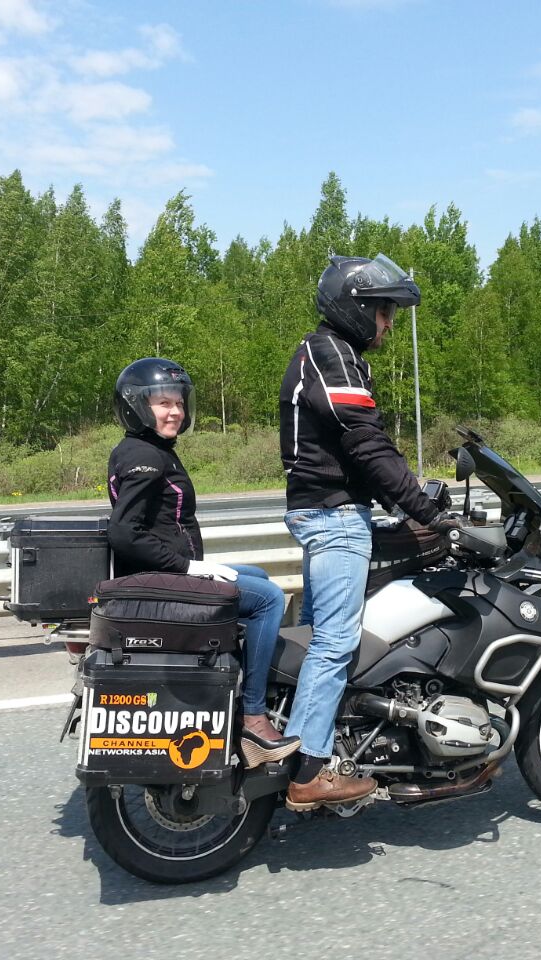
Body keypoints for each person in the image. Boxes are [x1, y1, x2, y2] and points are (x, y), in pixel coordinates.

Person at [278, 254, 459, 810]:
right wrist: (426, 512)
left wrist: (406, 500)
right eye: (383, 313)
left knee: (316, 640)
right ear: (354, 308)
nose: (388, 325)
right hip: (333, 519)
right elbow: (367, 445)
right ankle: (309, 771)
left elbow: (356, 451)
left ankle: (319, 745)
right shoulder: (333, 356)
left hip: (328, 511)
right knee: (334, 643)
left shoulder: (328, 354)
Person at [107, 357, 299, 768]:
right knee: (267, 599)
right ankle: (253, 717)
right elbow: (124, 533)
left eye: (178, 402)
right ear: (136, 406)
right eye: (162, 403)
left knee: (256, 576)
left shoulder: (148, 450)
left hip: (162, 573)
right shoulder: (146, 458)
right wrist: (189, 568)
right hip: (162, 580)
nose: (175, 411)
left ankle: (233, 670)